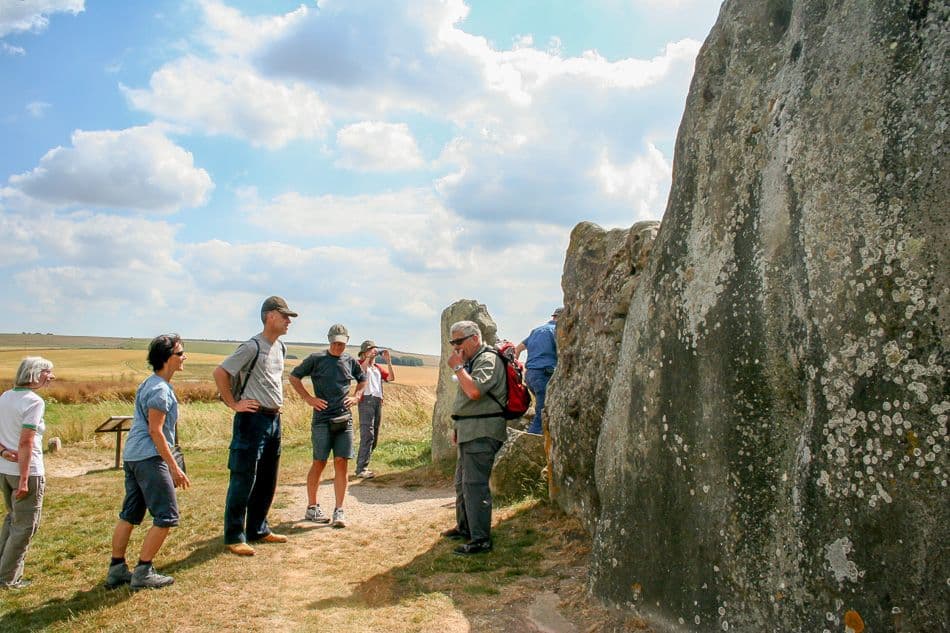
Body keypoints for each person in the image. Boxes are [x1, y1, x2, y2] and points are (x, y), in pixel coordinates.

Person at [213, 296, 297, 556]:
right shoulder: (252, 347)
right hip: (251, 419)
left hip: (273, 419)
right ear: (270, 316)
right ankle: (234, 536)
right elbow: (220, 372)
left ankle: (258, 529)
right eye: (284, 316)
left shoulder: (280, 347)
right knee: (243, 476)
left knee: (267, 478)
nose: (288, 321)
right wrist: (233, 403)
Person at [105, 335, 190, 590]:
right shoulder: (160, 390)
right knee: (167, 515)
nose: (184, 357)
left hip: (133, 456)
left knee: (130, 514)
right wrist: (174, 467)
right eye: (180, 353)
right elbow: (156, 431)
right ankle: (143, 571)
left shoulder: (149, 383)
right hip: (150, 458)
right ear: (166, 358)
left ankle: (116, 569)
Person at [440, 321, 507, 555]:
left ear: (475, 338)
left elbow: (475, 391)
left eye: (459, 341)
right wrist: (457, 426)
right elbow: (466, 400)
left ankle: (480, 540)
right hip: (469, 429)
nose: (455, 347)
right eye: (453, 342)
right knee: (462, 483)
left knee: (475, 486)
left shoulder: (487, 359)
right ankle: (466, 527)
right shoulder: (473, 361)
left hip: (482, 430)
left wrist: (458, 367)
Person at [290, 324, 365, 529]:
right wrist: (308, 398)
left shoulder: (350, 361)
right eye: (335, 343)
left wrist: (356, 396)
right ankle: (312, 507)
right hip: (322, 420)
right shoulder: (316, 359)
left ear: (347, 341)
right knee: (319, 462)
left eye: (342, 343)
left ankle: (339, 510)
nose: (338, 347)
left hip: (344, 419)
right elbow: (294, 377)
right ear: (329, 340)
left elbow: (362, 379)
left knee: (342, 462)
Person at [0, 356, 54, 589]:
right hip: (27, 472)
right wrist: (24, 479)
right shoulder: (34, 402)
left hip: (4, 470)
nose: (51, 377)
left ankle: (3, 570)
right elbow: (26, 442)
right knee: (24, 527)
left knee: (13, 519)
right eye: (47, 372)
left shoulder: (5, 396)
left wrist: (2, 452)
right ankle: (8, 578)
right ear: (34, 373)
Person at [514, 307, 561, 434]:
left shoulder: (537, 330)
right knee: (542, 412)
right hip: (544, 374)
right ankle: (531, 439)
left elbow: (518, 349)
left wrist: (516, 370)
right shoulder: (556, 330)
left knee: (545, 408)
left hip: (530, 375)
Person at [354, 340, 395, 479]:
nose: (373, 352)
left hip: (377, 401)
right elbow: (361, 372)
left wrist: (388, 362)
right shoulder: (359, 364)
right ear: (364, 352)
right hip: (366, 400)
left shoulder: (377, 368)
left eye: (374, 350)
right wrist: (367, 358)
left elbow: (391, 378)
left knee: (374, 435)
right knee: (367, 434)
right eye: (370, 350)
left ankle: (363, 464)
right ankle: (361, 468)